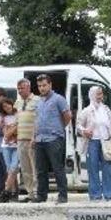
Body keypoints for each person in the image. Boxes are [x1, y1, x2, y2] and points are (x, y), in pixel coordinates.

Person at [34, 74, 72, 204]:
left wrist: (59, 129)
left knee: (57, 168)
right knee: (41, 170)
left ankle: (62, 196)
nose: (42, 88)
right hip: (40, 139)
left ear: (50, 85)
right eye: (39, 86)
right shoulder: (38, 101)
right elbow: (37, 120)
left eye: (44, 85)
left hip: (54, 138)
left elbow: (67, 116)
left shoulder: (58, 99)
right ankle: (41, 196)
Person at [77, 87, 111, 201]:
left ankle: (109, 195)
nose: (100, 96)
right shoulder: (87, 110)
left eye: (101, 94)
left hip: (106, 141)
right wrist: (85, 131)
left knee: (108, 168)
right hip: (92, 142)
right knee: (93, 169)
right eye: (98, 94)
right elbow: (78, 126)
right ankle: (95, 196)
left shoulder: (106, 109)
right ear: (92, 95)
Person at [14, 78, 40, 202]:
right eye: (18, 89)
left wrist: (35, 136)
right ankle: (30, 193)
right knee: (25, 168)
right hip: (20, 140)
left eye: (22, 88)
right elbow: (15, 120)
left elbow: (40, 119)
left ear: (29, 88)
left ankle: (36, 192)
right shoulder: (17, 103)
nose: (20, 91)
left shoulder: (37, 100)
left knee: (35, 167)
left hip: (32, 140)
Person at [0, 98, 20, 203]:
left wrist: (11, 130)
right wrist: (13, 129)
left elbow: (19, 129)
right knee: (9, 169)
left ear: (12, 104)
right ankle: (14, 193)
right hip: (6, 146)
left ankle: (6, 192)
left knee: (13, 168)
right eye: (4, 107)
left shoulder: (18, 115)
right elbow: (5, 133)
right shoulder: (2, 118)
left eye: (8, 105)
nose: (7, 107)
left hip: (17, 145)